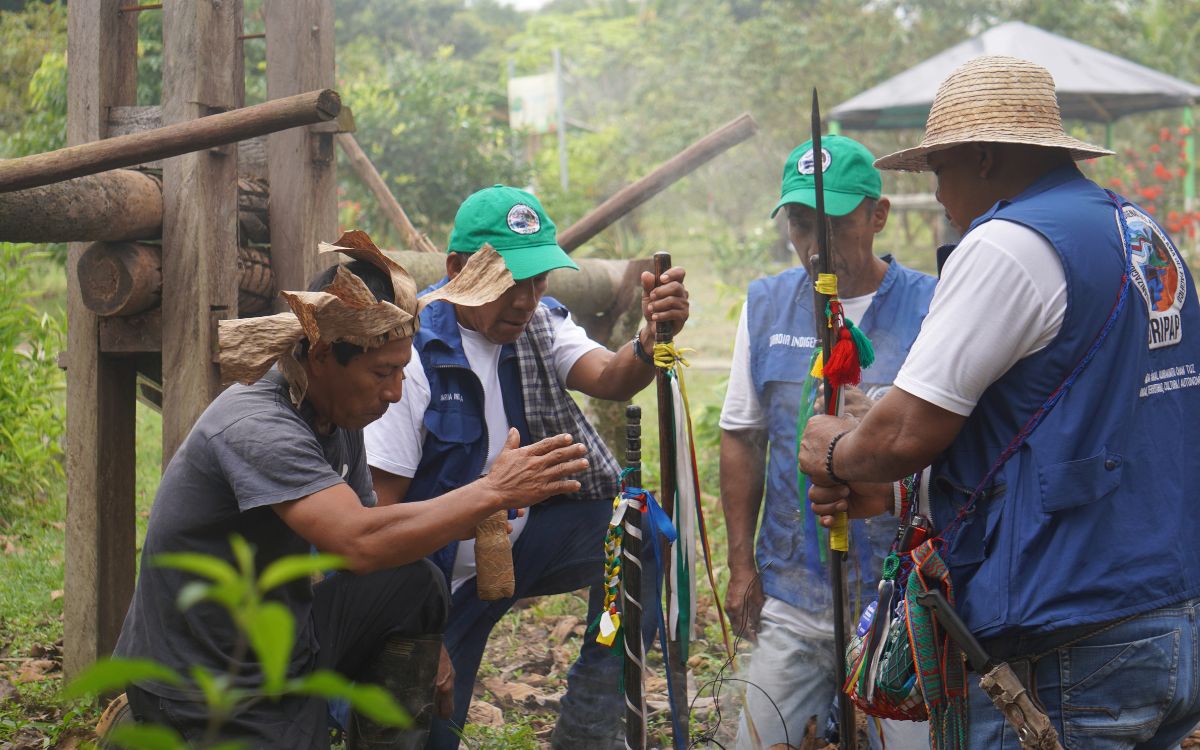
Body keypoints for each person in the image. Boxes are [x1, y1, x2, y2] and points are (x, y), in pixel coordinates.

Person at [799, 55, 1200, 747]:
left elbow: (901, 437)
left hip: (1068, 638)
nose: (941, 194)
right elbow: (1076, 414)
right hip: (1171, 614)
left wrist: (835, 452)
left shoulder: (1008, 244)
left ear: (982, 157)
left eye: (939, 171)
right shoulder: (1140, 233)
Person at [113, 235, 590, 749]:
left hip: (285, 644)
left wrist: (428, 645)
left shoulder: (338, 415)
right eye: (382, 373)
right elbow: (357, 542)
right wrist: (492, 492)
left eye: (402, 371)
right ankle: (144, 724)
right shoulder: (257, 423)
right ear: (319, 356)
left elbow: (380, 547)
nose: (395, 392)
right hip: (203, 679)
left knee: (415, 584)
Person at [364, 185, 690, 750]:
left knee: (636, 538)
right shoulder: (411, 355)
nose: (524, 298)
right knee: (418, 736)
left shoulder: (538, 325)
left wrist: (648, 337)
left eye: (537, 280)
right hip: (431, 585)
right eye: (508, 281)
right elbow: (380, 519)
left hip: (519, 544)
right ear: (457, 269)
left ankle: (588, 725)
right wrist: (419, 635)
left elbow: (611, 378)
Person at [719, 135, 934, 750]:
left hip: (903, 595)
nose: (817, 244)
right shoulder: (765, 306)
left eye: (835, 223)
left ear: (878, 215)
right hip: (794, 591)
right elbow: (741, 437)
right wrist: (740, 568)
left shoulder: (933, 307)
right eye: (801, 223)